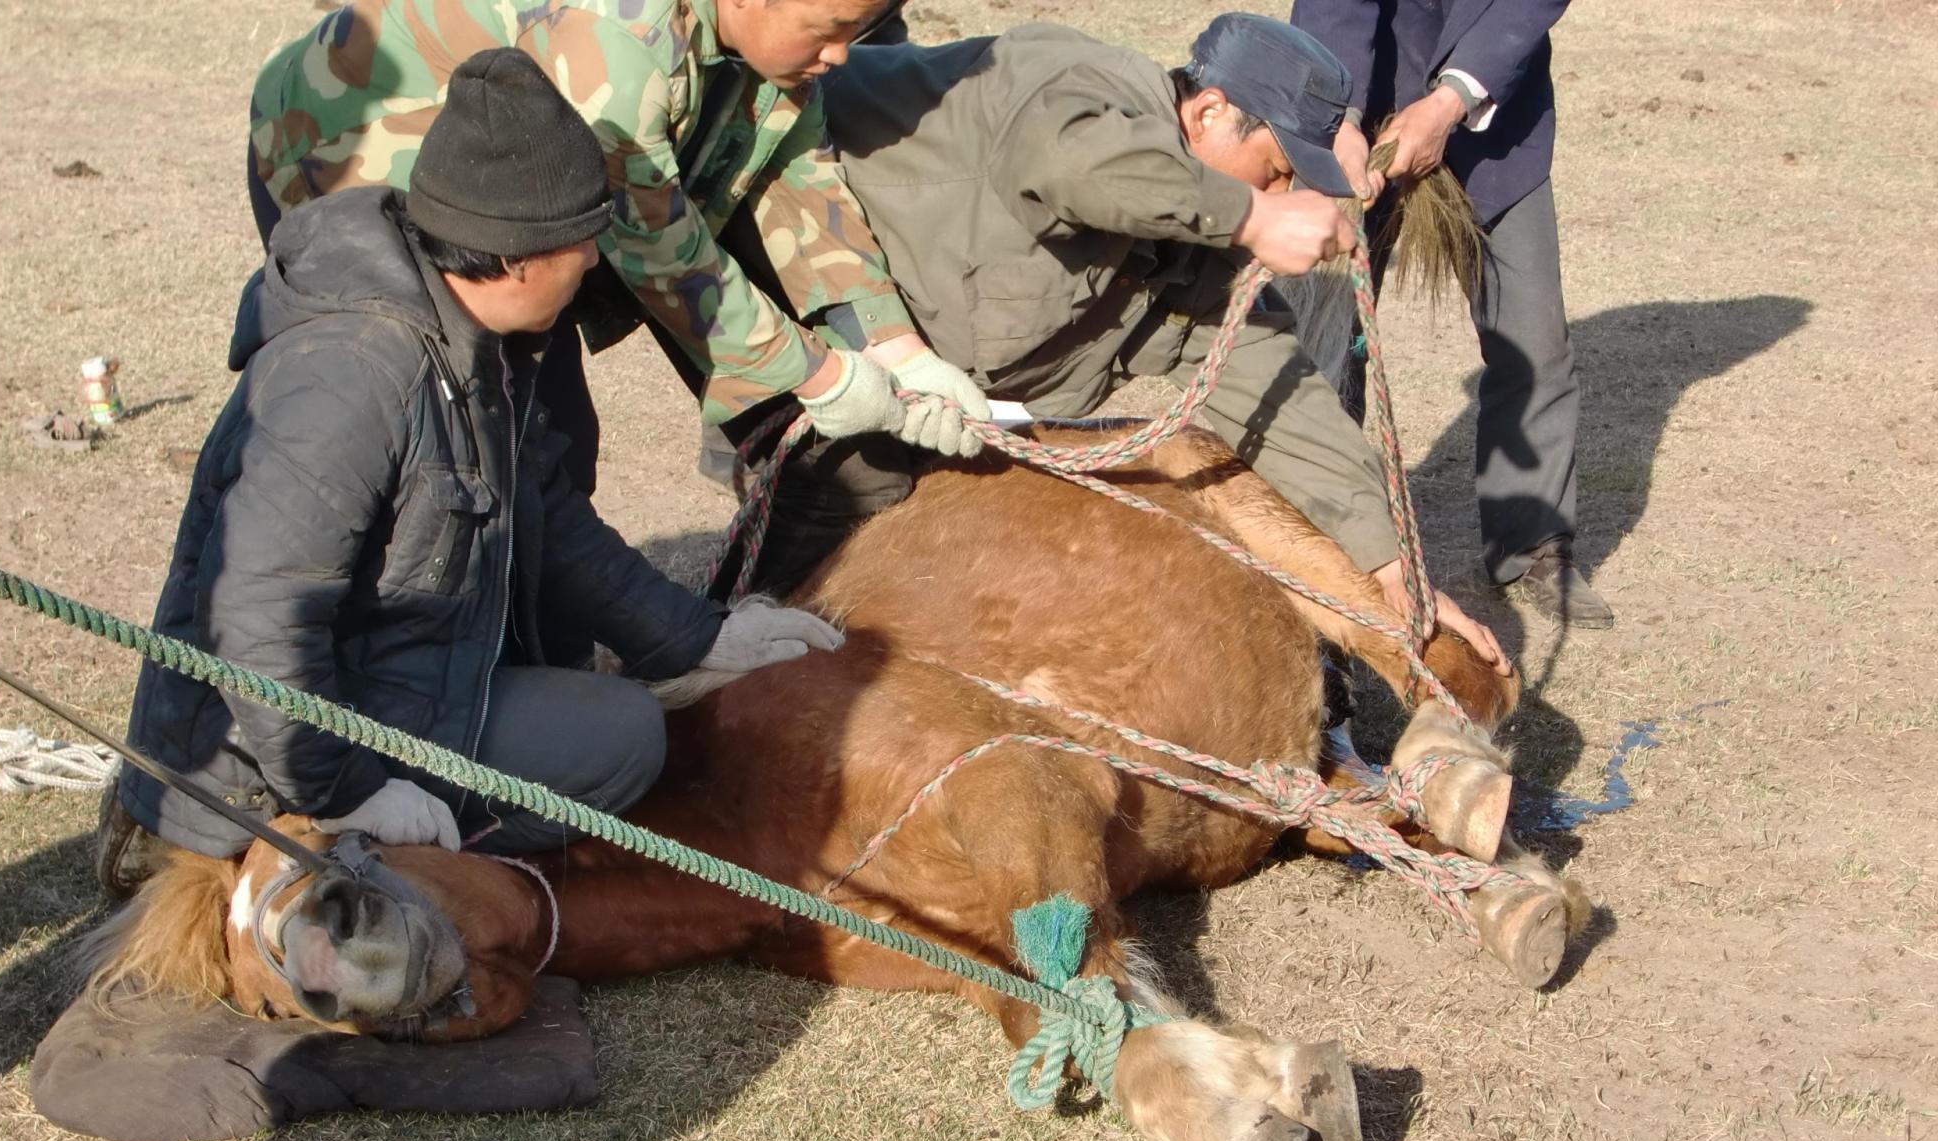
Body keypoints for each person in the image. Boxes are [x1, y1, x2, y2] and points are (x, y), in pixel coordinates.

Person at [95, 49, 842, 897]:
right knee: (617, 746)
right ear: (520, 254)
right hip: (258, 764)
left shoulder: (477, 339)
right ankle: (297, 870)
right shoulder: (352, 374)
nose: (594, 263)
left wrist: (694, 639)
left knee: (621, 730)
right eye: (584, 242)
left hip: (394, 685)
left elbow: (550, 520)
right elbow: (259, 615)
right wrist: (347, 794)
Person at [802, 13, 1508, 663]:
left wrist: (1389, 565)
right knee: (816, 584)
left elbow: (1275, 388)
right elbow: (1074, 165)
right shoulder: (1076, 88)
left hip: (910, 378)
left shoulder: (1194, 253)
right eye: (1277, 167)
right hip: (783, 288)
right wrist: (1251, 214)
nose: (1283, 187)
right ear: (1210, 111)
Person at [245, 0, 988, 513]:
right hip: (351, 154)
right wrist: (823, 377)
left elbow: (798, 170)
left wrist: (893, 343)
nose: (840, 55)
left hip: (514, 197)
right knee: (476, 439)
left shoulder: (766, 46)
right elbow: (658, 245)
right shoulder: (617, 42)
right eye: (829, 28)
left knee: (546, 447)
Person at [1290, 0, 1612, 627]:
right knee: (1319, 340)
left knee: (1533, 338)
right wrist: (1340, 115)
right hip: (1355, 107)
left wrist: (1451, 100)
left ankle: (1532, 547)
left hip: (1496, 117)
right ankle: (1314, 532)